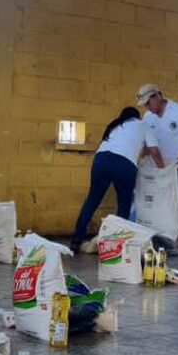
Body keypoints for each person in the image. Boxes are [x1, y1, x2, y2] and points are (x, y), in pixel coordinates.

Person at [70, 107, 144, 251]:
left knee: (92, 200)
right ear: (136, 117)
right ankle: (120, 244)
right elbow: (151, 149)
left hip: (101, 159)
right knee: (124, 204)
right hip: (124, 163)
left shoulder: (114, 125)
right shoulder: (141, 125)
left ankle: (76, 239)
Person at [137, 84, 178, 250]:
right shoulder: (148, 117)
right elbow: (146, 142)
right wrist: (141, 156)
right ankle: (164, 238)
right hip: (160, 167)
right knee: (161, 201)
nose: (148, 107)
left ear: (157, 96)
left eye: (149, 103)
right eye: (145, 105)